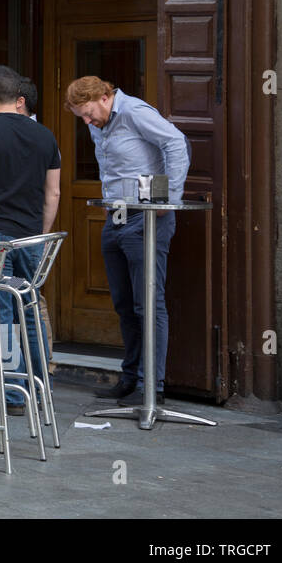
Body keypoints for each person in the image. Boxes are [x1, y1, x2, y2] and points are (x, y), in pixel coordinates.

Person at [66, 76, 189, 406]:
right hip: (115, 216)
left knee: (147, 302)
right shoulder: (97, 121)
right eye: (82, 118)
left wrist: (169, 198)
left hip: (145, 218)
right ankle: (131, 376)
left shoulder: (134, 112)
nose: (88, 122)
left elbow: (176, 143)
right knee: (123, 303)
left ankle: (153, 387)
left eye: (90, 113)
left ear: (106, 97)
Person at [0, 65, 60, 415]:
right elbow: (53, 193)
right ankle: (40, 386)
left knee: (1, 313)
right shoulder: (45, 136)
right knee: (30, 310)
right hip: (32, 236)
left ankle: (15, 393)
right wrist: (41, 232)